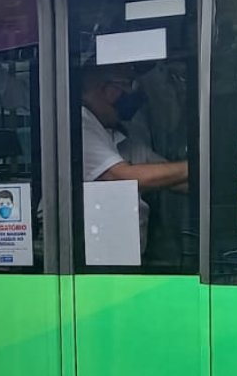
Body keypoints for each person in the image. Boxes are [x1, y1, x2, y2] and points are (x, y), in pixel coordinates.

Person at [79, 65, 188, 255]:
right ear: (106, 89)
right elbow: (121, 176)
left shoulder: (118, 136)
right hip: (92, 259)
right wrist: (199, 167)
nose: (132, 97)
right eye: (128, 85)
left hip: (121, 254)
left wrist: (221, 178)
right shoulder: (80, 124)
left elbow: (168, 175)